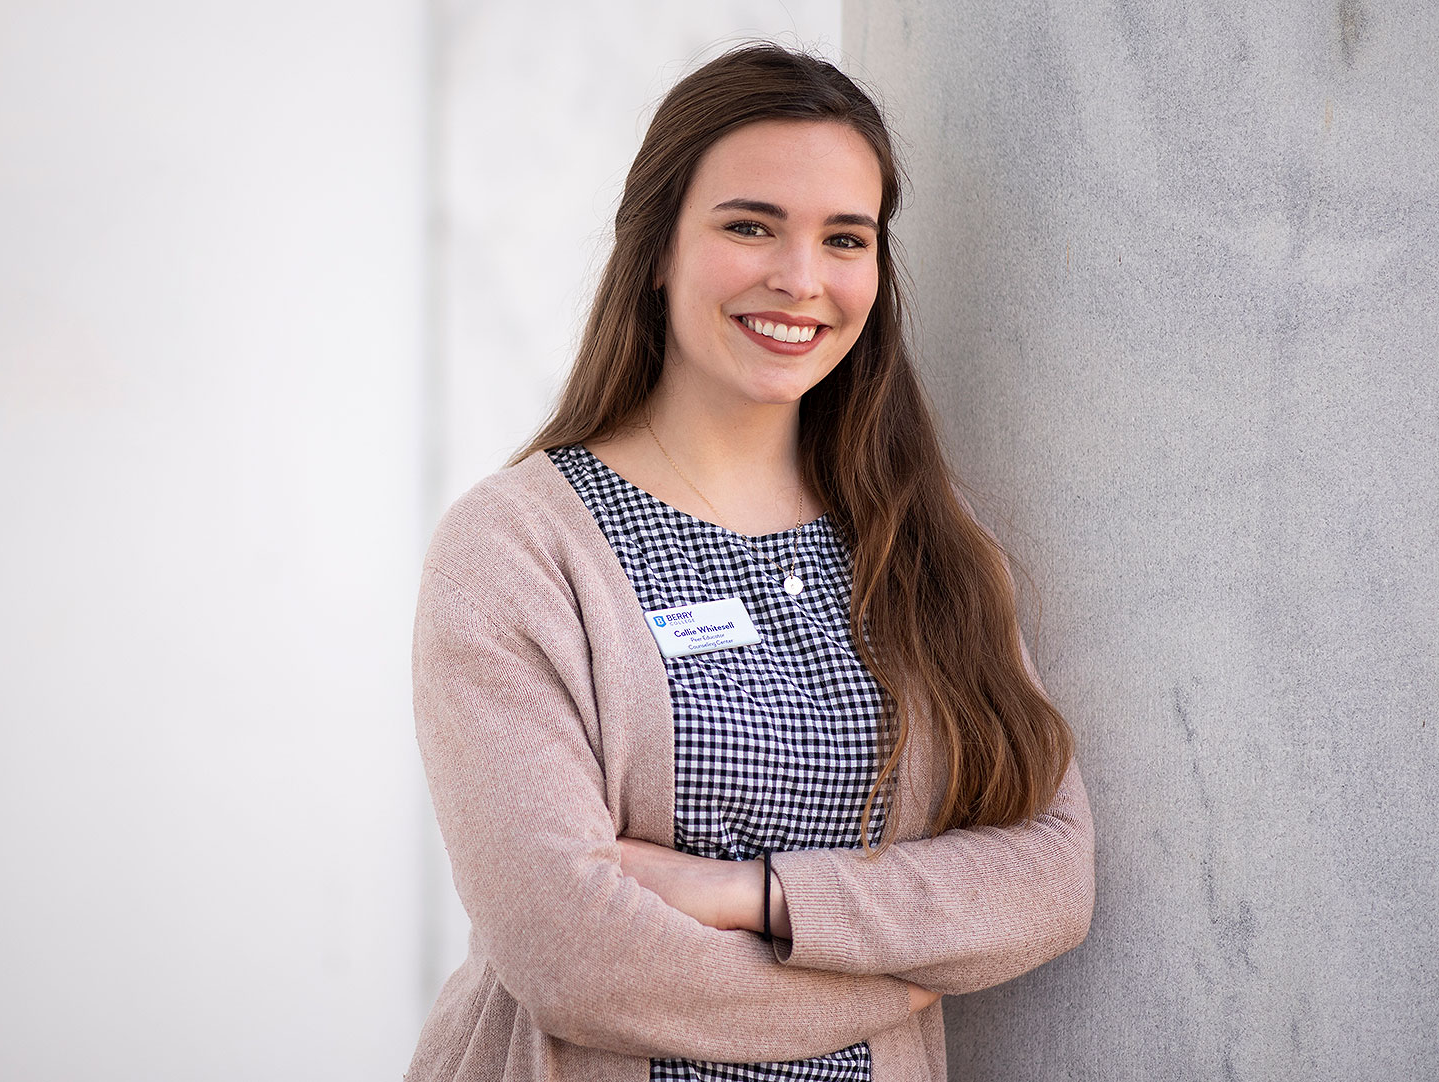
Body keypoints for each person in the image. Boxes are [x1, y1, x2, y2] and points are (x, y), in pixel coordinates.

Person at [408, 43, 1094, 1082]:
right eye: (749, 225)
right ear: (658, 249)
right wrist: (891, 979)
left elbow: (1049, 873)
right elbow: (570, 952)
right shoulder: (515, 548)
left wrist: (764, 897)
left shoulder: (924, 537)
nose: (800, 279)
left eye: (844, 238)